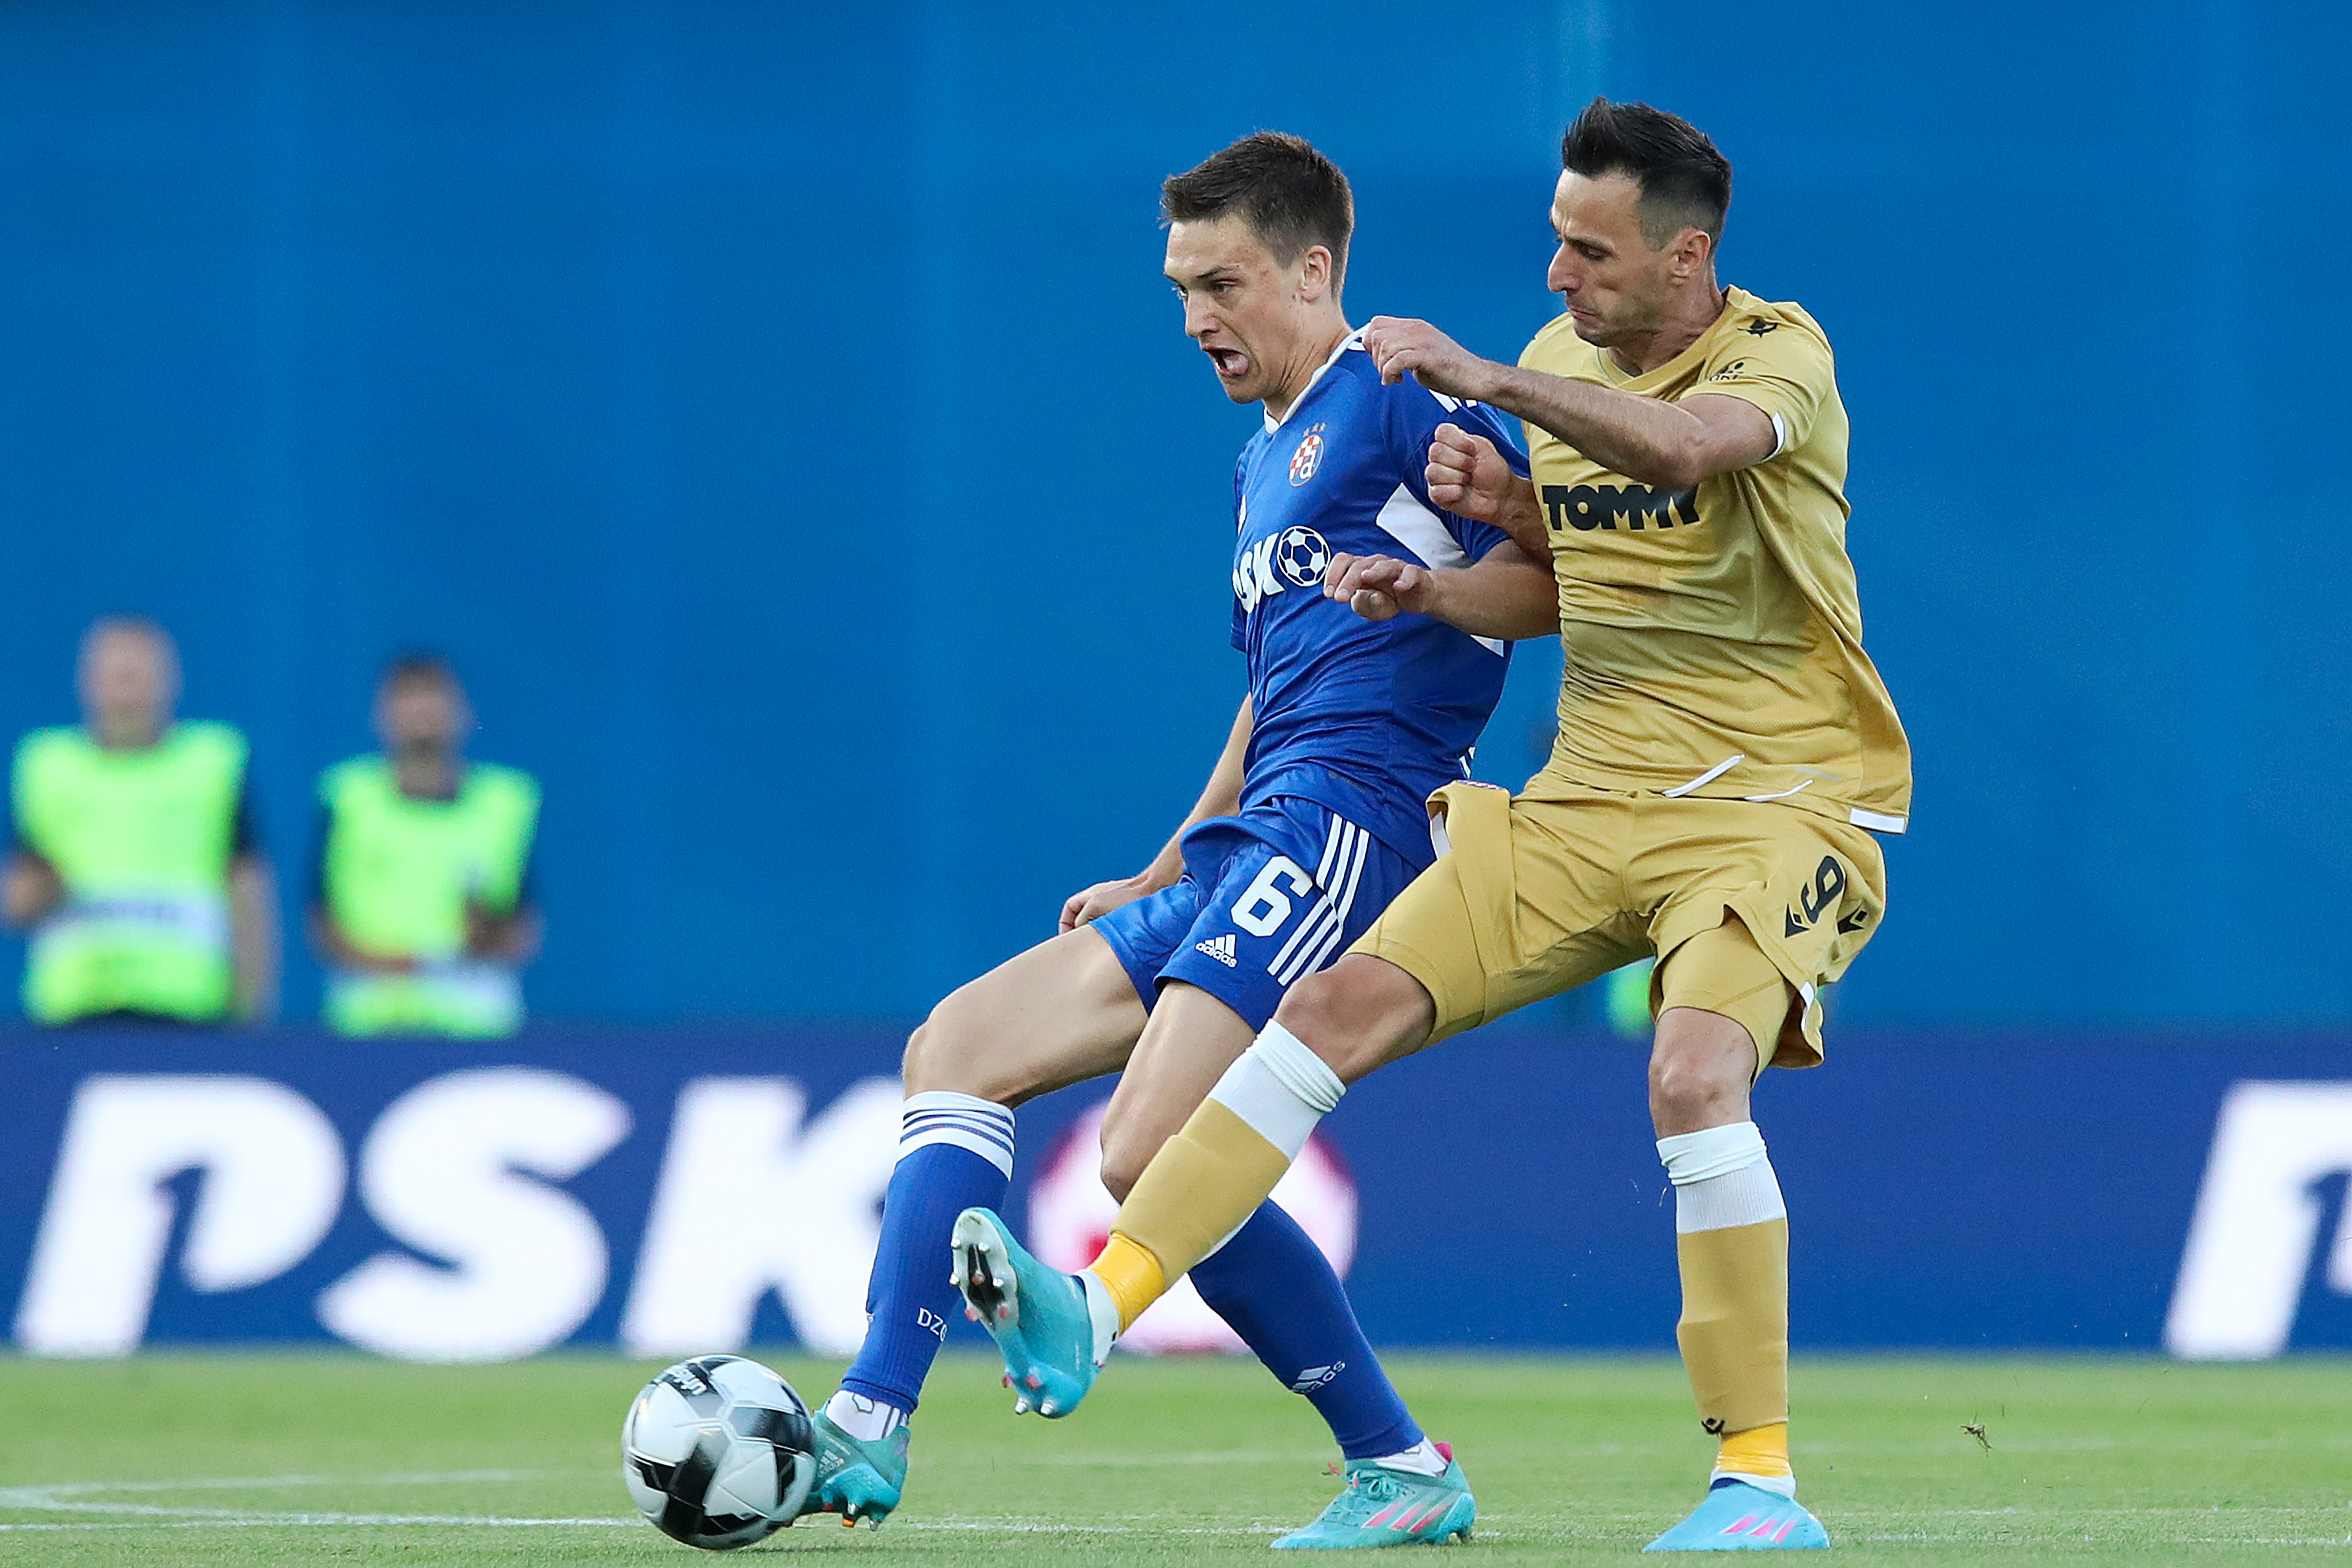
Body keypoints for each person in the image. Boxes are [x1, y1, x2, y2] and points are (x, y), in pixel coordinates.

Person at [955, 99, 1912, 1554]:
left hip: (1770, 805)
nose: (1554, 280)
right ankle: (1095, 1309)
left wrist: (1482, 392)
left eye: (1587, 253)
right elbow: (1567, 578)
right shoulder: (1545, 367)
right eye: (1550, 245)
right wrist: (1455, 566)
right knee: (1330, 1009)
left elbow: (1677, 453)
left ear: (1686, 256)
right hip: (1589, 795)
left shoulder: (1781, 355)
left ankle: (1759, 1487)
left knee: (1692, 1076)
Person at [804, 132, 1547, 1547]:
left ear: (1314, 269)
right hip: (1251, 833)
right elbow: (1265, 695)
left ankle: (1394, 1461)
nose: (1195, 314)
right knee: (955, 1048)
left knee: (1149, 1159)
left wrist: (1437, 600)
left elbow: (1551, 585)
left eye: (1221, 279)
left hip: (1353, 823)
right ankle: (869, 1421)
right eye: (1178, 287)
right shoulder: (1258, 462)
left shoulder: (1396, 404)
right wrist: (1165, 863)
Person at [2, 617, 276, 1027]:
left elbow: (248, 888)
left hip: (188, 1010)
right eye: (115, 671)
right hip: (75, 1010)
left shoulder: (213, 763)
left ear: (171, 680)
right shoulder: (47, 766)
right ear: (87, 681)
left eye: (139, 670)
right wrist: (34, 895)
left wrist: (252, 1006)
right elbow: (20, 895)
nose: (127, 682)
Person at [309, 654, 541, 1038]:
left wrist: (486, 936)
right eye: (407, 701)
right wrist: (402, 967)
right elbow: (322, 924)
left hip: (475, 1028)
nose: (421, 716)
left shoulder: (505, 804)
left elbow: (523, 930)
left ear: (463, 714)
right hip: (370, 1028)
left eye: (434, 701)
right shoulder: (348, 798)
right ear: (381, 715)